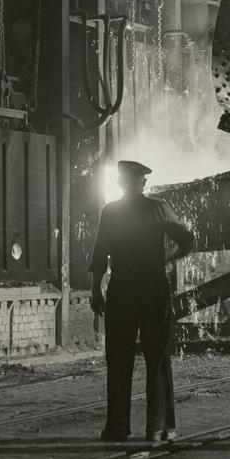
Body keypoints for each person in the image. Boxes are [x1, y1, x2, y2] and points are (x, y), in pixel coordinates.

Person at [88, 160, 196, 442]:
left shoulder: (110, 212)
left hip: (122, 289)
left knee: (119, 359)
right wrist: (168, 258)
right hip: (152, 288)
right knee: (157, 359)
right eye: (143, 180)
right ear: (141, 182)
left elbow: (100, 255)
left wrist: (95, 291)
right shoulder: (158, 209)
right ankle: (159, 428)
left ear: (120, 183)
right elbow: (188, 240)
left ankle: (117, 428)